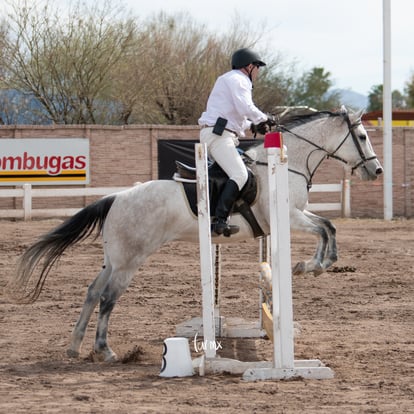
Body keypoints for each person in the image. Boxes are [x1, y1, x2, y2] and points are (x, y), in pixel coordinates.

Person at [198, 47, 273, 237]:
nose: (258, 72)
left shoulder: (230, 79)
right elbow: (245, 106)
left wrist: (253, 125)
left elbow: (236, 115)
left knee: (243, 169)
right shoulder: (239, 80)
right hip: (219, 136)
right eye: (258, 68)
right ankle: (220, 221)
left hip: (222, 133)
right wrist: (263, 118)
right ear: (249, 66)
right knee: (240, 175)